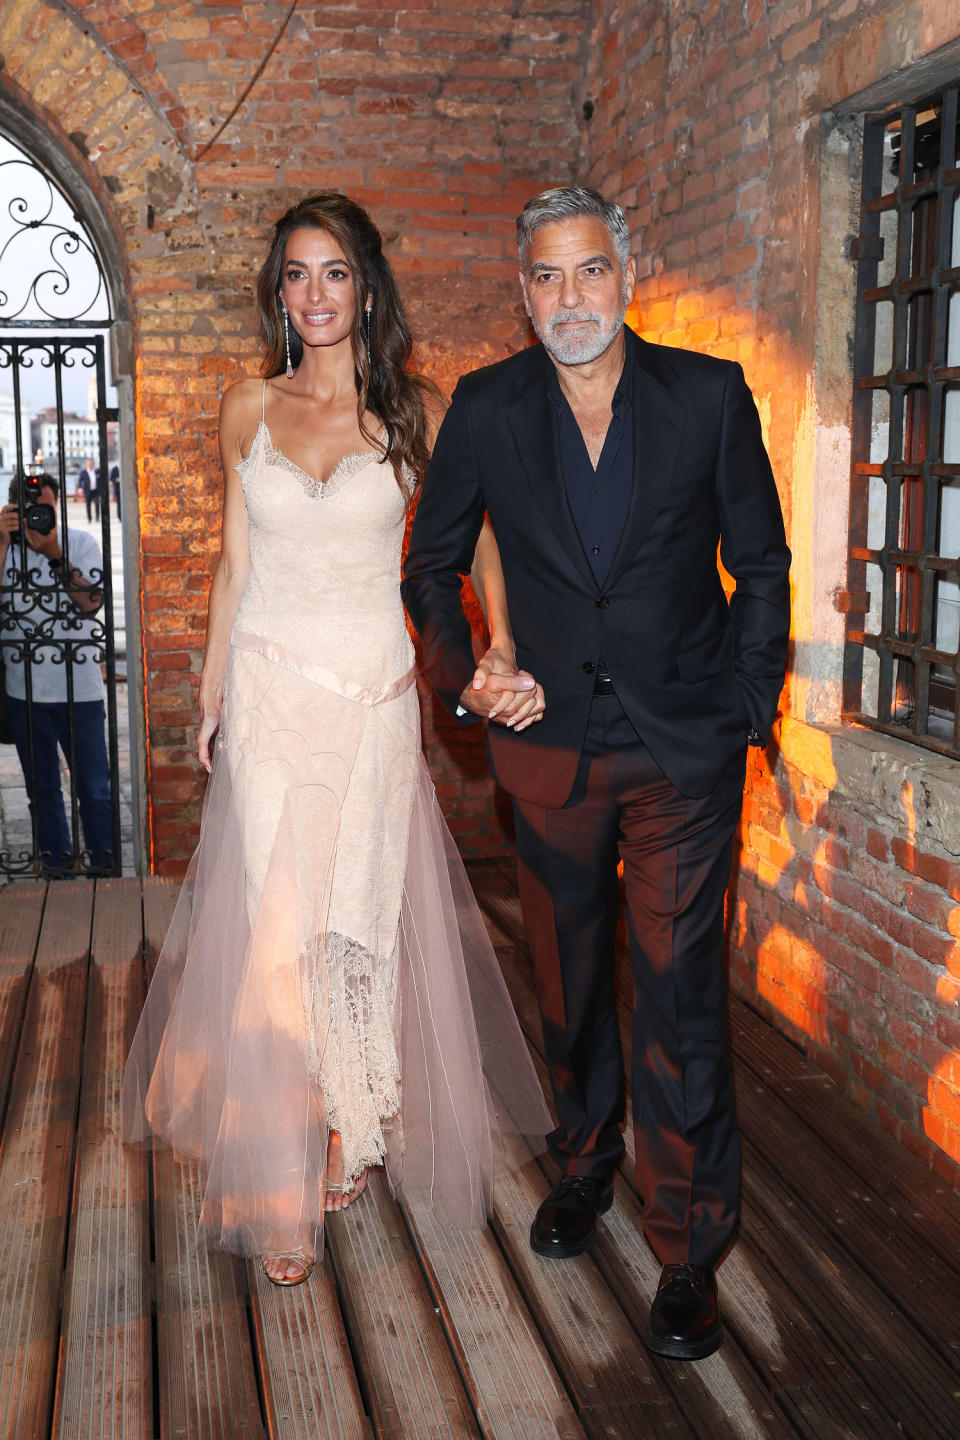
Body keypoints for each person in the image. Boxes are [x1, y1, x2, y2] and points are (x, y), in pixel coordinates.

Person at [121, 193, 549, 1287]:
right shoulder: (244, 406)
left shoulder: (414, 413)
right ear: (280, 294)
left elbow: (475, 541)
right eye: (296, 277)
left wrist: (496, 642)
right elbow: (233, 565)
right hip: (270, 695)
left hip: (371, 700)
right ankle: (280, 1159)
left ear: (367, 287)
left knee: (352, 928)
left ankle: (338, 1122)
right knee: (278, 929)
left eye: (334, 274)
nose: (313, 296)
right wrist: (212, 692)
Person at [403, 186, 791, 1360]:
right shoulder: (484, 408)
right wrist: (470, 676)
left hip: (682, 749)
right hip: (547, 748)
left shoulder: (709, 397)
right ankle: (583, 1163)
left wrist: (741, 704)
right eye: (546, 279)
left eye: (588, 272)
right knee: (568, 980)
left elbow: (761, 563)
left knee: (677, 993)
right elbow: (428, 569)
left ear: (629, 274)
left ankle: (688, 1245)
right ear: (523, 295)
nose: (569, 298)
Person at [0, 473, 114, 872]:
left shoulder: (80, 542)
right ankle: (57, 864)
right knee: (43, 792)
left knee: (95, 790)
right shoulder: (4, 549)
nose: (39, 516)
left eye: (46, 508)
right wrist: (0, 542)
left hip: (79, 690)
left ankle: (103, 863)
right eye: (32, 509)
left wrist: (54, 554)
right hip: (23, 690)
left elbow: (91, 604)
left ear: (58, 504)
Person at [76, 457, 99, 522]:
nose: (90, 464)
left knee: (97, 503)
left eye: (91, 463)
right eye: (89, 463)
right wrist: (80, 489)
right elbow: (80, 481)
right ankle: (89, 518)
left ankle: (97, 518)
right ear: (87, 464)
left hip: (95, 490)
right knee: (88, 504)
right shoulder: (83, 472)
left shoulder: (96, 471)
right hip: (88, 490)